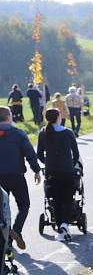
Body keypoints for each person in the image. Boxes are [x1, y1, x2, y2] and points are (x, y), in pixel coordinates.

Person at [0, 106, 42, 249]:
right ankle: (16, 230)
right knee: (24, 205)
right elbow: (30, 154)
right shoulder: (18, 134)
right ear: (8, 117)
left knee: (2, 210)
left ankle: (6, 241)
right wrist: (36, 170)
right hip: (17, 176)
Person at [37, 108, 80, 243]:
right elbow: (76, 153)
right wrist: (71, 164)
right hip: (67, 171)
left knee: (55, 200)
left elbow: (39, 154)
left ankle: (60, 225)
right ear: (58, 117)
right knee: (68, 199)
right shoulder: (68, 133)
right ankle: (64, 225)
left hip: (51, 171)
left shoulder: (43, 133)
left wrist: (48, 163)